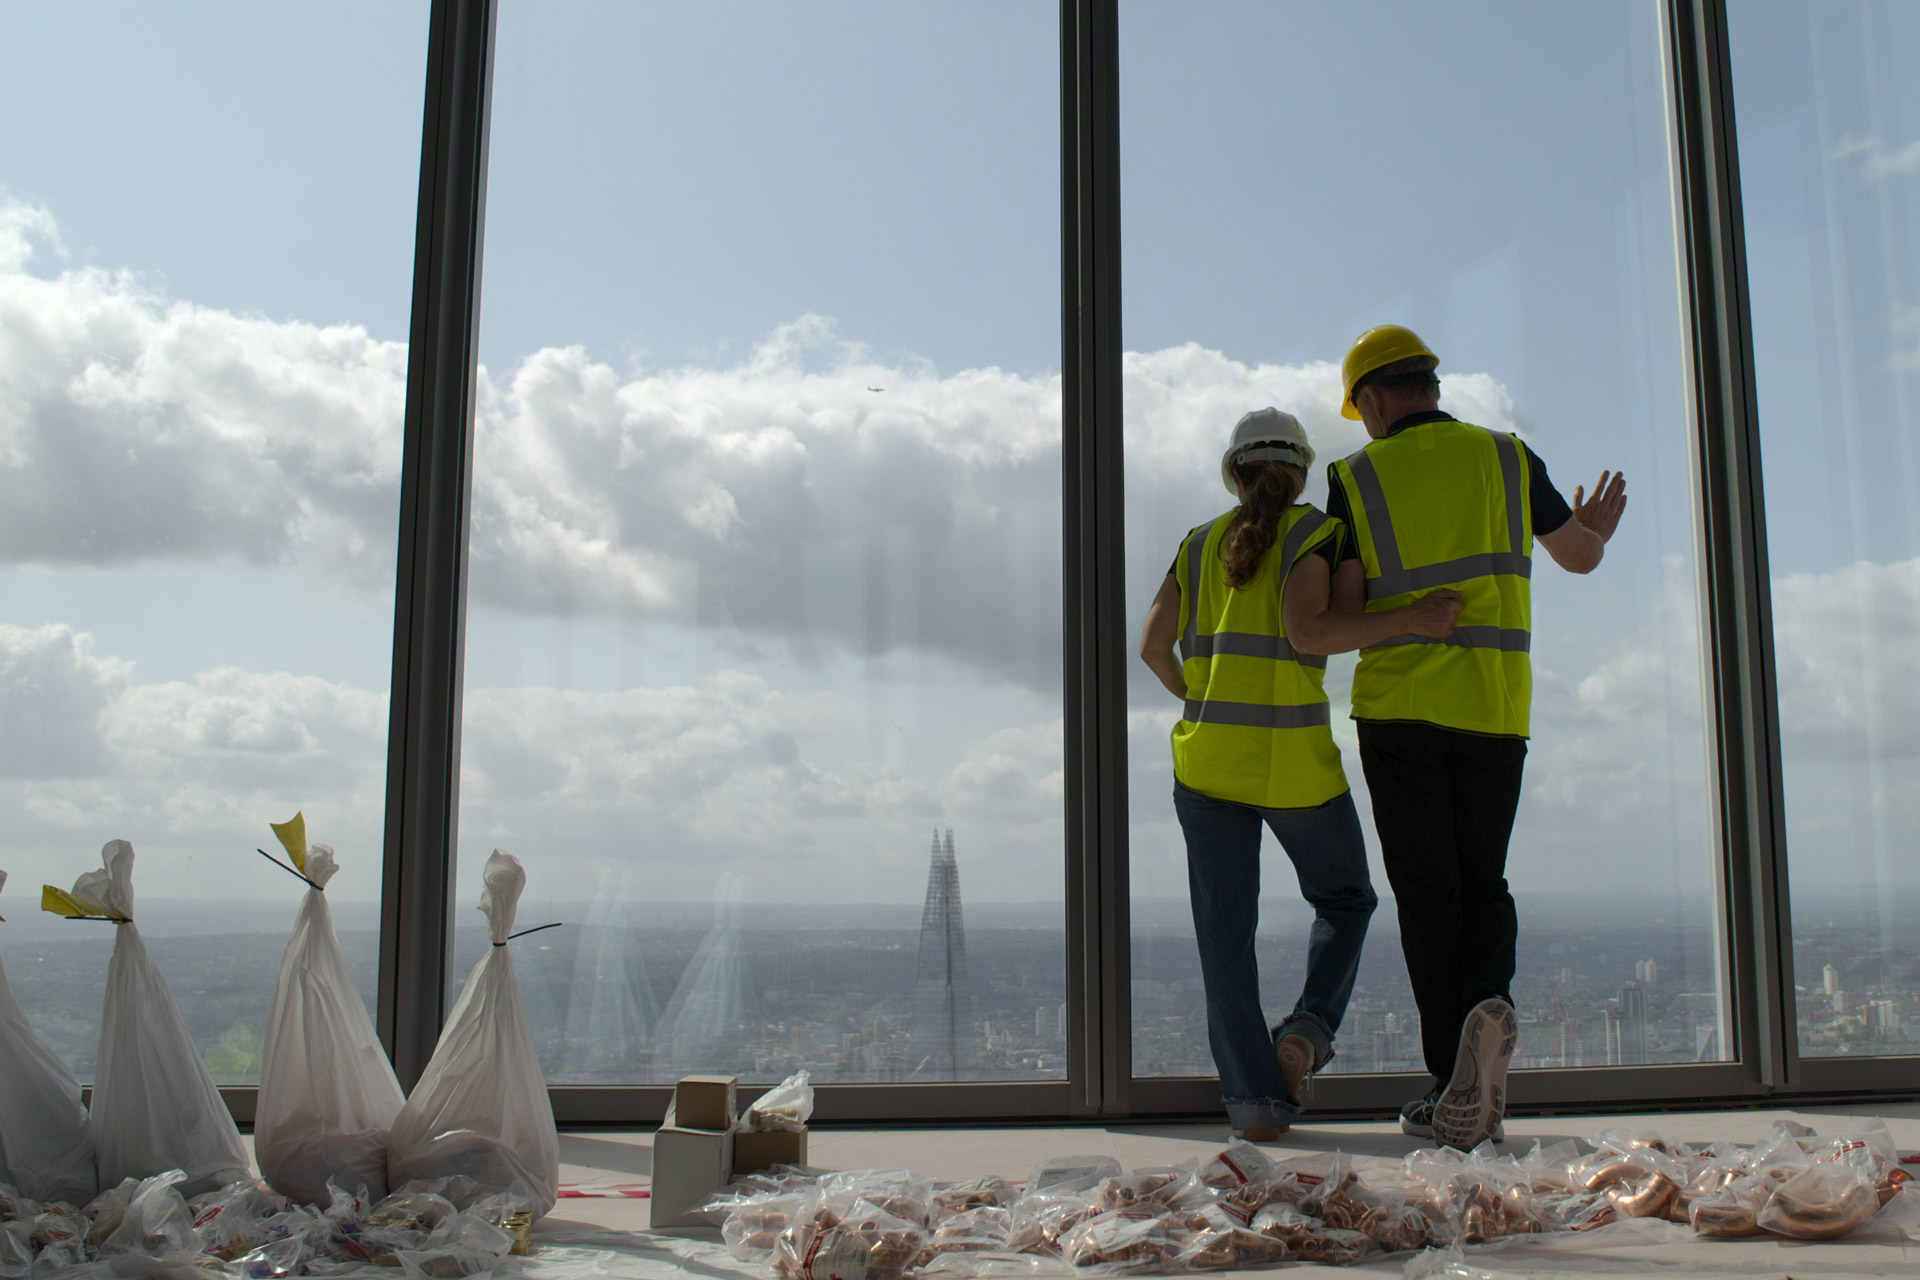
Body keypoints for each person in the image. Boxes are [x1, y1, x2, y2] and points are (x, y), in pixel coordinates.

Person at [1323, 325, 1628, 1151]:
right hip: (1494, 710)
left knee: (1430, 896)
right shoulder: (1507, 456)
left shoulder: (1355, 476)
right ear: (1430, 385)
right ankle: (1489, 1008)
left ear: (1374, 400)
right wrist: (1595, 529)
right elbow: (1579, 559)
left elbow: (1348, 611)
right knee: (1483, 881)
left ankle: (1447, 1083)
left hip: (1399, 711)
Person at [1138, 407, 1464, 1138]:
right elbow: (1312, 631)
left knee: (1224, 936)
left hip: (1208, 763)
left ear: (1236, 472)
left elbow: (1153, 646)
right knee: (1346, 901)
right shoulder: (1318, 533)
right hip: (1294, 767)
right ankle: (1308, 1032)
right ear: (1301, 470)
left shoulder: (1197, 543)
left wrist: (1200, 696)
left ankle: (1255, 1104)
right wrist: (1413, 619)